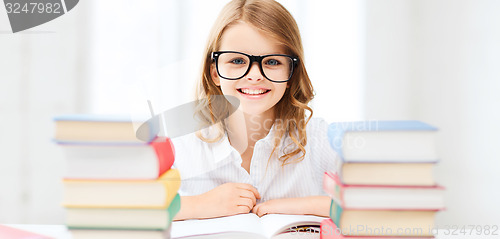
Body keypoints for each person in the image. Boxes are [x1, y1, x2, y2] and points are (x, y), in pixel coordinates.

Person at [172, 0, 339, 220]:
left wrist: (299, 205)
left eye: (272, 62)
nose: (254, 75)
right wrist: (197, 205)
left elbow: (374, 206)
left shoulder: (320, 141)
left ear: (291, 73)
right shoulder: (182, 144)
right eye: (238, 60)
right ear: (215, 72)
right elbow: (129, 210)